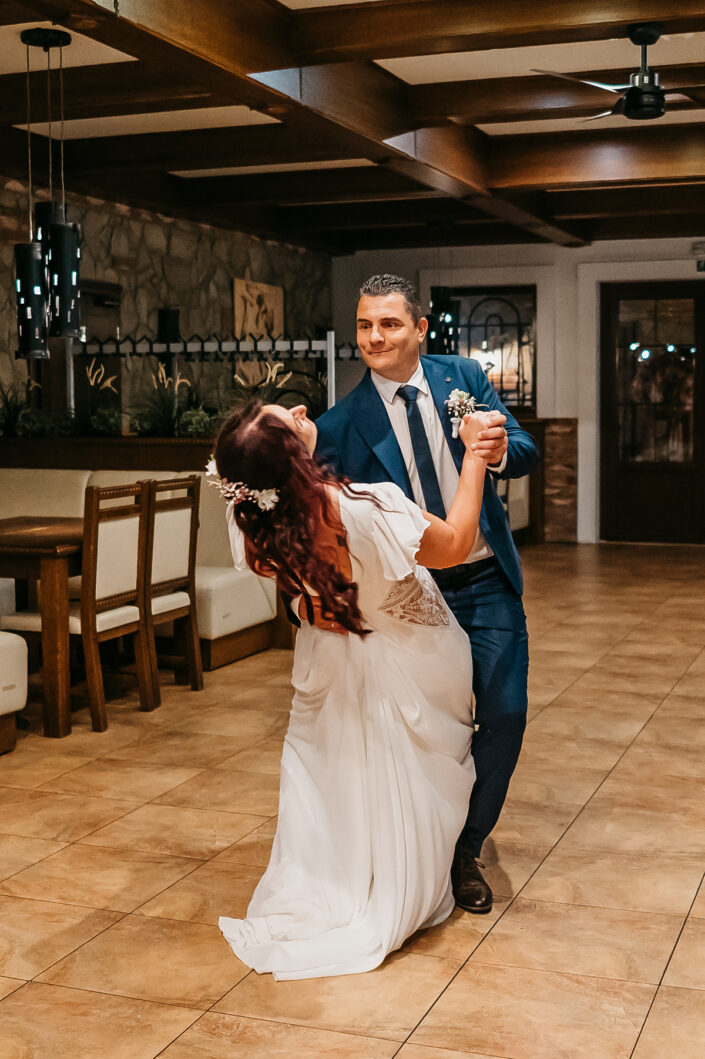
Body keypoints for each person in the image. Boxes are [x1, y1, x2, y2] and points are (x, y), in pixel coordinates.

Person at [214, 397, 501, 980]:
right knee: (402, 769)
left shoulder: (249, 513)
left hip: (329, 655)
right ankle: (392, 880)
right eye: (291, 419)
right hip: (412, 656)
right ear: (292, 460)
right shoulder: (365, 509)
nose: (302, 409)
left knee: (335, 776)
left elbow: (292, 582)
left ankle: (341, 878)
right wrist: (473, 454)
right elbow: (456, 545)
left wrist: (312, 604)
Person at [315, 274, 539, 914]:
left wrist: (499, 450)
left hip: (485, 579)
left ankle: (466, 848)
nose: (375, 337)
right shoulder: (340, 425)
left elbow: (524, 448)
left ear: (418, 328)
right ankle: (424, 846)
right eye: (365, 325)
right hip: (410, 597)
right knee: (428, 729)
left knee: (505, 711)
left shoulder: (462, 377)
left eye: (389, 324)